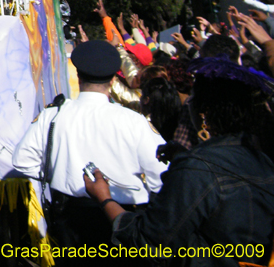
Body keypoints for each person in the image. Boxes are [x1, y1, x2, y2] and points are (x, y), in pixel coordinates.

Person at [84, 56, 274, 266]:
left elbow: (149, 243)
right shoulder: (263, 161)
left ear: (203, 114)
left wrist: (105, 199)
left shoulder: (199, 167)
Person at [12, 40, 167, 251]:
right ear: (113, 80)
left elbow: (22, 161)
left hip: (70, 218)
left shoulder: (53, 115)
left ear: (78, 76)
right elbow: (162, 175)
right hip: (124, 218)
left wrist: (58, 172)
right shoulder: (135, 122)